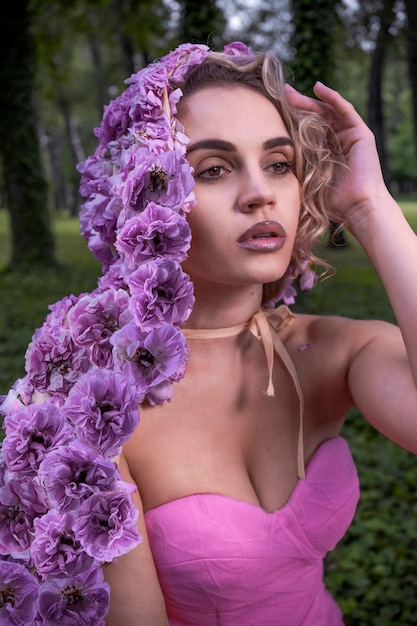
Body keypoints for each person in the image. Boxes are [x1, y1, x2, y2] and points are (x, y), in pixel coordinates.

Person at [0, 41, 416, 625]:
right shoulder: (101, 405)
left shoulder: (334, 350)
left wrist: (371, 207)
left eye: (279, 164)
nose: (260, 193)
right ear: (150, 196)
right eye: (214, 169)